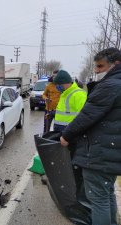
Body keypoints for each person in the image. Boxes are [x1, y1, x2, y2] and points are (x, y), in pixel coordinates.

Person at [59, 47, 121, 225]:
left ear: (115, 64)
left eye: (100, 66)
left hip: (100, 153)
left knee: (98, 199)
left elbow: (86, 116)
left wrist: (66, 136)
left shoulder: (110, 85)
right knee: (106, 193)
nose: (96, 71)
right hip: (111, 151)